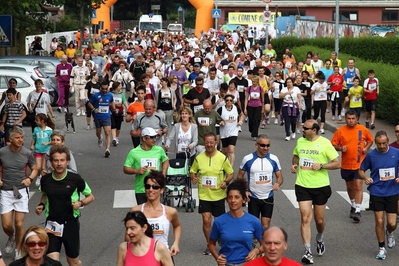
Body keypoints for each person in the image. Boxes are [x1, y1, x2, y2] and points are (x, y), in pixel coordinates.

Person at [35, 145, 94, 266]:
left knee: (73, 261)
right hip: (52, 225)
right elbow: (45, 194)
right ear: (51, 162)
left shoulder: (75, 179)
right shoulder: (45, 180)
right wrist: (41, 204)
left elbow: (91, 197)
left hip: (70, 224)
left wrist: (81, 203)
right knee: (52, 262)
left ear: (67, 162)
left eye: (62, 160)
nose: (59, 163)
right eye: (56, 160)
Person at [291, 119, 340, 264]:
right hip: (302, 185)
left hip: (320, 186)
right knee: (305, 218)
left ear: (314, 130)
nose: (302, 130)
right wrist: (294, 165)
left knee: (319, 220)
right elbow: (296, 156)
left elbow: (337, 163)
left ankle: (320, 236)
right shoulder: (300, 141)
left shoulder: (325, 143)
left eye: (305, 128)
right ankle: (308, 252)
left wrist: (322, 166)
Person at [190, 132, 234, 255]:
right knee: (206, 220)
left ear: (216, 143)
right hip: (204, 194)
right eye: (207, 142)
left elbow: (230, 173)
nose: (209, 145)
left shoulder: (222, 157)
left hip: (218, 195)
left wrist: (225, 181)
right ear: (204, 144)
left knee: (219, 222)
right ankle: (210, 244)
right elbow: (192, 171)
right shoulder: (199, 158)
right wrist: (193, 177)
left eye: (211, 142)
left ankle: (219, 237)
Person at [358, 130, 399, 260]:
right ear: (375, 142)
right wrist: (365, 178)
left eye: (384, 143)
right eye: (379, 144)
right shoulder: (371, 155)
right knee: (379, 220)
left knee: (392, 223)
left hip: (392, 191)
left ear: (388, 141)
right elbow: (361, 169)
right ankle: (381, 248)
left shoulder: (396, 153)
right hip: (376, 191)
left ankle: (390, 232)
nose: (381, 146)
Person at [0, 127, 38, 260]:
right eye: (17, 137)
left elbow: (35, 169)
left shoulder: (27, 153)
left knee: (19, 223)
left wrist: (30, 179)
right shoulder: (2, 152)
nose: (20, 140)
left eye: (22, 137)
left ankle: (18, 249)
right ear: (10, 139)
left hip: (21, 191)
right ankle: (11, 237)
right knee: (6, 224)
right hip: (5, 190)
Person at [209, 179, 263, 265]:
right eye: (230, 197)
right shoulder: (219, 221)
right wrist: (217, 257)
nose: (233, 200)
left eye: (237, 197)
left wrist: (257, 250)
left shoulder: (254, 221)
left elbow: (265, 244)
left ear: (244, 199)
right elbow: (211, 243)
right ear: (226, 199)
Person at [331, 110, 373, 222]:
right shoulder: (340, 131)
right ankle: (354, 205)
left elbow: (370, 140)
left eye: (353, 118)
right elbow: (334, 144)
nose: (351, 120)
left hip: (359, 164)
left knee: (358, 186)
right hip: (346, 165)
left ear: (357, 119)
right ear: (345, 119)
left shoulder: (363, 129)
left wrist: (366, 148)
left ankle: (358, 211)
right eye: (348, 118)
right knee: (350, 187)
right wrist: (340, 148)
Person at [130, 171, 182, 257]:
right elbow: (128, 237)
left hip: (163, 256)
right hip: (141, 256)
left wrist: (176, 243)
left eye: (155, 187)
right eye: (148, 186)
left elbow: (177, 226)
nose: (151, 190)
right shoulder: (136, 210)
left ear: (162, 190)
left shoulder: (170, 211)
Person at [237, 134, 283, 229]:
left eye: (268, 145)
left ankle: (263, 243)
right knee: (254, 225)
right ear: (256, 145)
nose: (265, 148)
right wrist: (244, 191)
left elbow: (280, 177)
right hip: (253, 197)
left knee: (265, 225)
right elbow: (240, 176)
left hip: (268, 196)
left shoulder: (274, 159)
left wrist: (277, 184)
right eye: (262, 145)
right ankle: (254, 241)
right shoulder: (248, 159)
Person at [123, 127, 169, 205]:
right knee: (143, 214)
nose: (154, 139)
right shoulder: (134, 152)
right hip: (141, 189)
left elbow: (165, 160)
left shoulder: (159, 150)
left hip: (155, 187)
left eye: (155, 137)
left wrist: (163, 172)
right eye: (151, 137)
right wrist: (136, 171)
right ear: (144, 138)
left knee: (154, 213)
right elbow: (125, 168)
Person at [87, 81, 115, 158]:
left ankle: (107, 150)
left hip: (107, 116)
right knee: (98, 133)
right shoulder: (96, 96)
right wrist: (93, 109)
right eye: (103, 89)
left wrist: (114, 108)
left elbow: (112, 102)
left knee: (107, 132)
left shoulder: (110, 95)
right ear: (100, 88)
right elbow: (89, 103)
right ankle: (100, 137)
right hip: (98, 117)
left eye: (106, 89)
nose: (104, 90)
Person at [217, 94, 244, 167]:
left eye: (231, 100)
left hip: (234, 132)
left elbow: (241, 114)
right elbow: (217, 118)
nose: (229, 102)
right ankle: (223, 165)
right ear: (225, 101)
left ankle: (230, 168)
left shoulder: (236, 108)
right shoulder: (221, 109)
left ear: (233, 101)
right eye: (227, 100)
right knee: (225, 151)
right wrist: (220, 122)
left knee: (231, 150)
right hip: (224, 132)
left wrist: (240, 121)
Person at [30, 114, 55, 187]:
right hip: (38, 150)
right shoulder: (36, 129)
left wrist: (48, 142)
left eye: (37, 120)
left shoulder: (49, 130)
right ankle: (39, 176)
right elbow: (33, 138)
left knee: (44, 167)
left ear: (42, 121)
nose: (36, 121)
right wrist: (32, 145)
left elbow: (53, 141)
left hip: (46, 151)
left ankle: (43, 178)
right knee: (38, 167)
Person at [244, 76, 264, 141]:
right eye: (253, 82)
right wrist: (245, 108)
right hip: (250, 106)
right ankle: (251, 130)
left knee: (256, 120)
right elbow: (246, 98)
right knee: (251, 120)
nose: (254, 83)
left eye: (255, 82)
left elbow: (262, 99)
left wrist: (263, 108)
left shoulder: (260, 89)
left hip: (258, 106)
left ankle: (255, 134)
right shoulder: (249, 88)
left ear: (257, 82)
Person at [110, 82, 128, 146]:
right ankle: (114, 138)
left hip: (120, 111)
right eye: (119, 86)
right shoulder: (110, 94)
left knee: (118, 126)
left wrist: (128, 109)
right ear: (116, 87)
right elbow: (109, 102)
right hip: (112, 110)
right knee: (113, 125)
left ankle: (116, 137)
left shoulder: (121, 94)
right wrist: (114, 104)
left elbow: (125, 102)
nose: (120, 87)